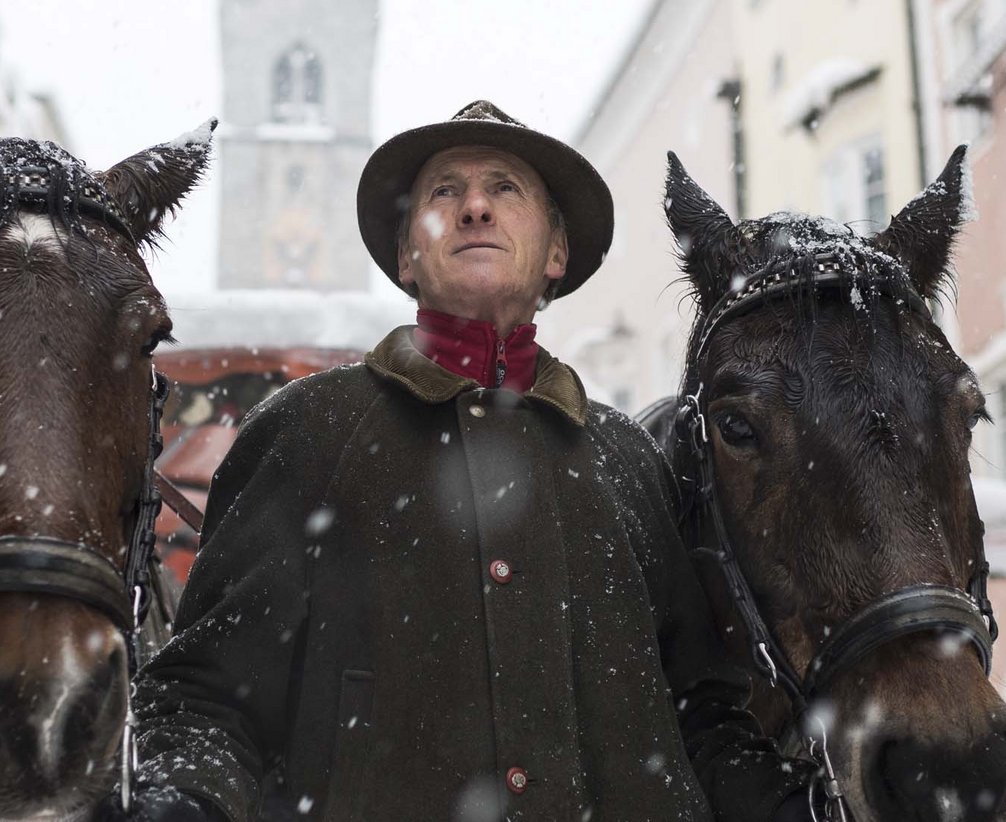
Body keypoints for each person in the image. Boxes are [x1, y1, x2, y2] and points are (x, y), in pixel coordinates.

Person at [119, 101, 814, 821]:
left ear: (556, 255)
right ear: (406, 258)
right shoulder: (305, 434)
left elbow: (703, 715)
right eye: (445, 191)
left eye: (506, 189)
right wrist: (183, 800)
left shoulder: (631, 463)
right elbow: (207, 699)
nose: (475, 206)